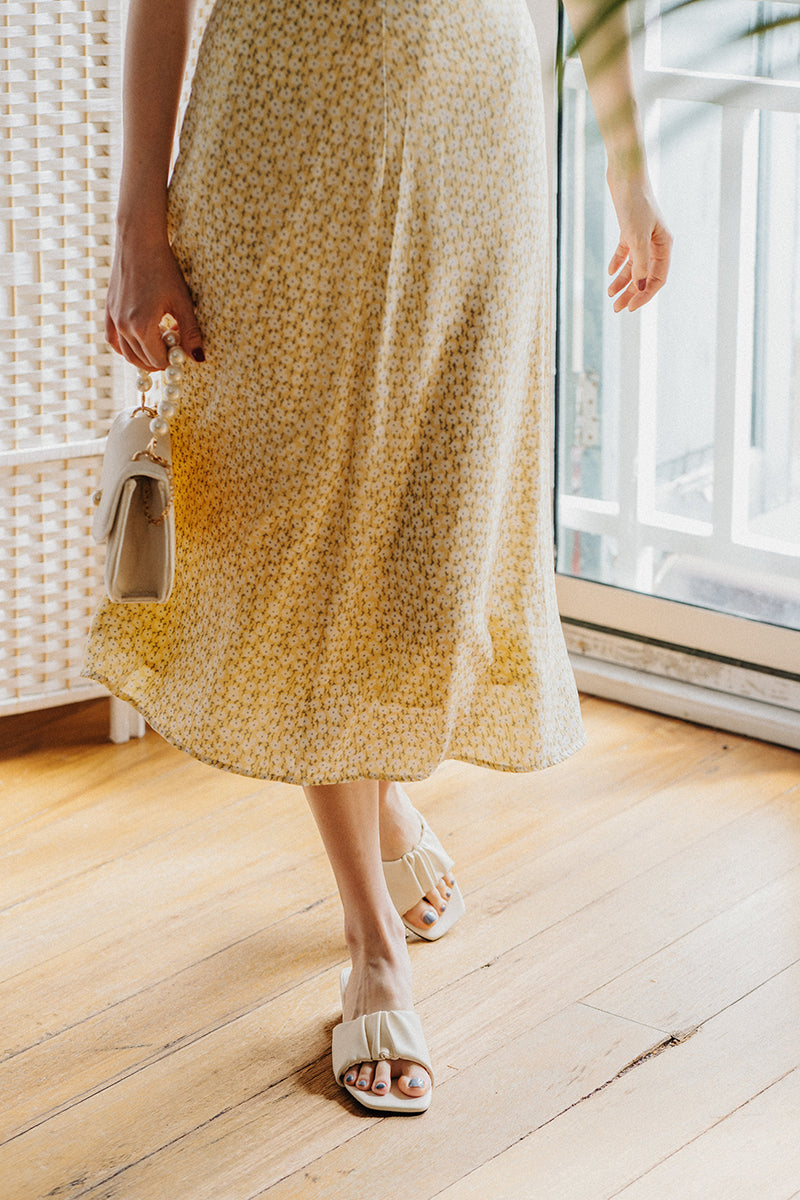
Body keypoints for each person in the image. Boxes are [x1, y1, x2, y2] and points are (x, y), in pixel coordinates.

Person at [84, 0, 671, 1114]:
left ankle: (382, 800)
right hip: (283, 146)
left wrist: (627, 172)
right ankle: (370, 941)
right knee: (311, 537)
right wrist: (136, 228)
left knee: (431, 537)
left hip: (478, 138)